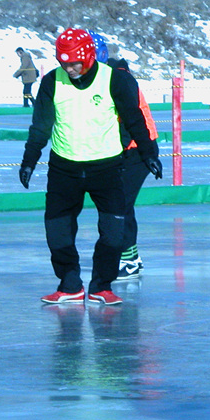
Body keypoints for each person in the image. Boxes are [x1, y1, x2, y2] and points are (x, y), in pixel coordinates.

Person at [19, 28, 162, 306]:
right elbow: (40, 127)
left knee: (112, 230)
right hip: (64, 169)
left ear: (88, 56)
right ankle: (69, 284)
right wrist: (29, 161)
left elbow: (134, 119)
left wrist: (148, 153)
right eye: (64, 63)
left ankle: (102, 285)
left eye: (75, 62)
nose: (70, 69)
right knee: (57, 230)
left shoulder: (115, 80)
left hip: (106, 168)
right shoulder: (51, 82)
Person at [87, 32, 159, 282]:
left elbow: (130, 121)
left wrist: (114, 150)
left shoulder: (119, 79)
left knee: (119, 204)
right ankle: (129, 257)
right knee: (116, 203)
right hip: (118, 149)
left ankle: (128, 260)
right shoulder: (94, 80)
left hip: (137, 149)